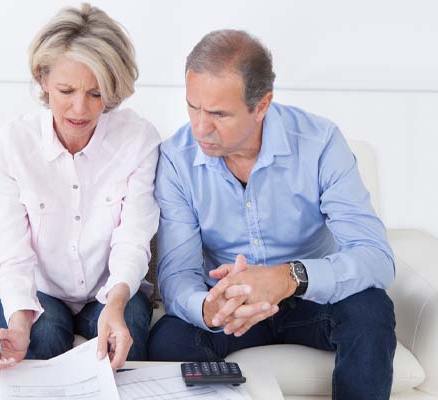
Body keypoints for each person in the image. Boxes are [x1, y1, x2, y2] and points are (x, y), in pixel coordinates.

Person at [148, 30, 397, 399]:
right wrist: (207, 306)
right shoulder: (176, 158)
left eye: (218, 113)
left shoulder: (320, 143)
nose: (200, 127)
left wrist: (288, 277)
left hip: (312, 298)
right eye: (193, 107)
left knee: (371, 312)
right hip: (232, 309)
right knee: (169, 339)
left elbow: (376, 258)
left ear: (261, 105)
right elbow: (178, 273)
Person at [0, 3, 160, 370]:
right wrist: (18, 324)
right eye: (66, 90)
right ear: (43, 80)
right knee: (43, 337)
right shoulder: (12, 144)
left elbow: (134, 237)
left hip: (110, 290)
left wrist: (116, 302)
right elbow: (10, 251)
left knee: (125, 342)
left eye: (96, 94)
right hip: (38, 289)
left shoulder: (138, 139)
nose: (80, 109)